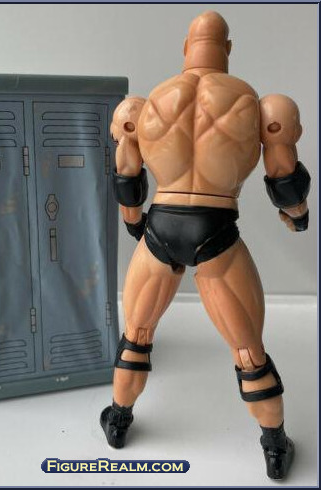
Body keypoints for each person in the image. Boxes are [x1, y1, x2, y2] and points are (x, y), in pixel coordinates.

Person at [100, 11, 310, 480]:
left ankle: (118, 419)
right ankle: (274, 445)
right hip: (215, 229)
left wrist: (135, 226)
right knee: (248, 352)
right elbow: (284, 176)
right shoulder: (258, 104)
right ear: (227, 49)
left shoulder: (145, 104)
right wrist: (297, 217)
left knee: (136, 336)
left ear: (185, 47)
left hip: (161, 225)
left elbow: (127, 177)